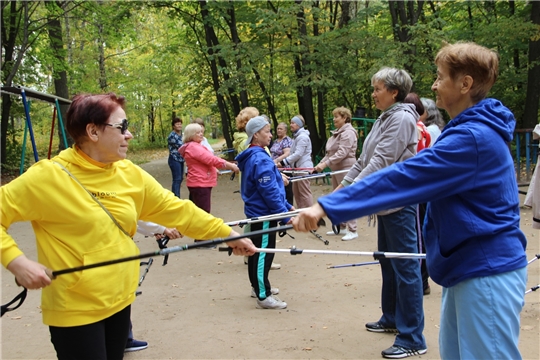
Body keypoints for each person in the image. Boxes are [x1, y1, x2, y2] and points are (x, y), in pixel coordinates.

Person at [292, 42, 528, 360]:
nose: (433, 84)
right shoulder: (467, 133)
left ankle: (410, 335)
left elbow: (404, 176)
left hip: (485, 271)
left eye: (440, 76)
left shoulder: (472, 139)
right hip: (468, 270)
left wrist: (328, 206)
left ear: (465, 83)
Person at [0, 93, 256, 360]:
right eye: (121, 127)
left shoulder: (129, 173)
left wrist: (227, 234)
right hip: (74, 310)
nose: (129, 134)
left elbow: (178, 210)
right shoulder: (48, 177)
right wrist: (16, 262)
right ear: (93, 131)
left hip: (121, 300)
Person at [236, 116, 294, 309]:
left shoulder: (256, 154)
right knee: (263, 253)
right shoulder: (259, 157)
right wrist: (285, 216)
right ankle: (263, 295)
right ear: (256, 135)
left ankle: (257, 287)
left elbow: (274, 186)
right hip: (264, 214)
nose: (270, 135)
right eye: (267, 131)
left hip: (259, 212)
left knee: (255, 251)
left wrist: (287, 205)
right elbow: (268, 191)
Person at [313, 107, 358, 241]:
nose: (334, 119)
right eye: (334, 117)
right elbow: (330, 153)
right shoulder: (336, 133)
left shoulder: (348, 133)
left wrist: (325, 164)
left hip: (346, 168)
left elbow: (342, 153)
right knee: (338, 197)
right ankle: (342, 226)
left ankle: (353, 229)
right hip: (335, 168)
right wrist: (319, 165)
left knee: (348, 198)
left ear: (345, 118)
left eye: (336, 117)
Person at [403, 93, 432, 295]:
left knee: (416, 235)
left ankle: (421, 280)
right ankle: (423, 279)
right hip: (420, 186)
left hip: (414, 186)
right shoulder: (424, 130)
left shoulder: (413, 128)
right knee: (419, 231)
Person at [179, 123, 239, 214]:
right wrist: (231, 166)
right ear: (191, 135)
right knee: (204, 213)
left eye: (201, 132)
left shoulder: (194, 146)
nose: (201, 134)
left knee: (198, 212)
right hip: (200, 184)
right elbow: (211, 159)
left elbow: (202, 162)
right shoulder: (193, 147)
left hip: (199, 183)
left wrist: (214, 169)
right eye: (198, 132)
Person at [278, 115, 313, 209]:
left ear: (299, 125)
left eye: (293, 123)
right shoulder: (297, 137)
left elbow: (298, 154)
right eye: (291, 123)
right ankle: (302, 214)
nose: (291, 125)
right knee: (297, 194)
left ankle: (312, 216)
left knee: (304, 194)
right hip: (297, 169)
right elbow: (293, 153)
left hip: (303, 169)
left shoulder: (303, 137)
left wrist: (283, 162)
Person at [270, 122, 294, 206]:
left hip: (285, 169)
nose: (279, 130)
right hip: (276, 169)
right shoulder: (276, 141)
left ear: (285, 130)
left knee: (287, 191)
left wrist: (276, 161)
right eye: (277, 128)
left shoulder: (286, 140)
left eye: (281, 129)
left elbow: (287, 153)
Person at [167, 117, 184, 198]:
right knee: (177, 179)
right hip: (174, 159)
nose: (179, 125)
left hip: (181, 159)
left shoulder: (182, 134)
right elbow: (182, 146)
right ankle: (176, 197)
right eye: (177, 124)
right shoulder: (172, 136)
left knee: (180, 178)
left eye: (180, 124)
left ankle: (176, 196)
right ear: (173, 126)